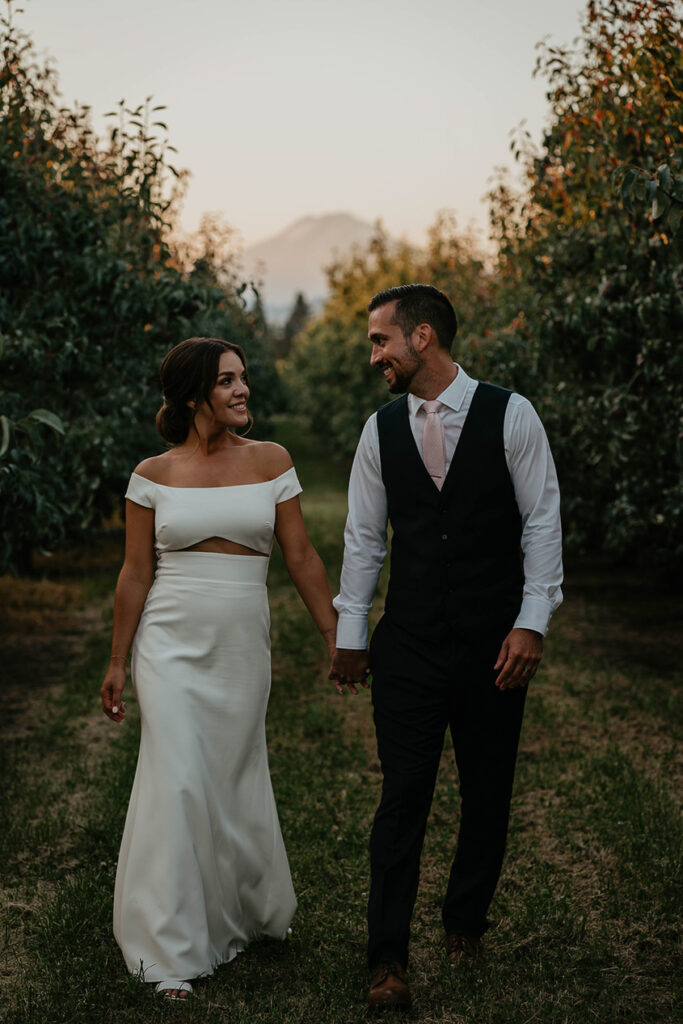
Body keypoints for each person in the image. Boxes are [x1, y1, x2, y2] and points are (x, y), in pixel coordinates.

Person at [329, 285, 563, 1008]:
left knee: (486, 793)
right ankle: (387, 961)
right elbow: (365, 538)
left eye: (380, 342)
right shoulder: (380, 430)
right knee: (402, 797)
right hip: (408, 647)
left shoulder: (509, 413)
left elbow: (541, 521)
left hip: (494, 645)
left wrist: (530, 622)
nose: (374, 357)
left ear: (420, 336)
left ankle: (465, 919)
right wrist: (351, 634)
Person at [101, 336, 337, 1001]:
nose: (243, 391)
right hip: (169, 641)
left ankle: (234, 907)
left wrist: (335, 638)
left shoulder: (272, 461)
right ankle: (169, 949)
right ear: (192, 394)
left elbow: (302, 558)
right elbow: (135, 571)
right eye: (228, 381)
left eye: (243, 379)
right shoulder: (153, 473)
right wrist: (118, 661)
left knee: (228, 776)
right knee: (177, 779)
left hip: (240, 641)